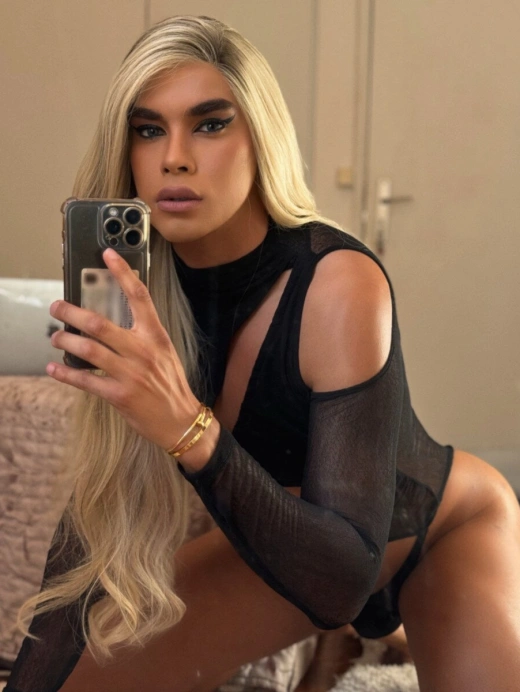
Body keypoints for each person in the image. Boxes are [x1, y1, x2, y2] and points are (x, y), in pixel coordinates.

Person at [6, 15, 520, 692]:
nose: (174, 158)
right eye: (149, 129)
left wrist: (188, 429)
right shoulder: (132, 283)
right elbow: (96, 516)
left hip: (433, 527)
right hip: (289, 540)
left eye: (210, 124)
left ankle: (373, 639)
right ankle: (360, 644)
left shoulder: (337, 282)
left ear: (261, 138)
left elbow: (339, 584)